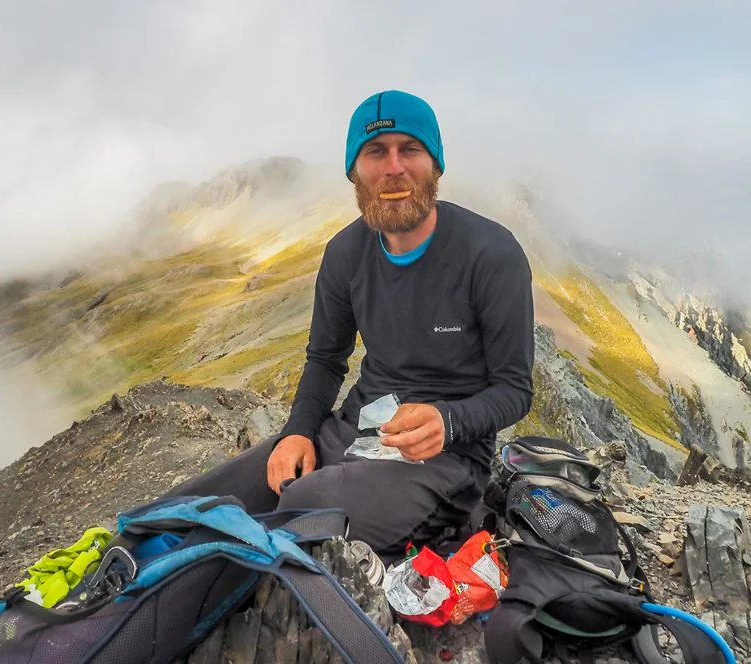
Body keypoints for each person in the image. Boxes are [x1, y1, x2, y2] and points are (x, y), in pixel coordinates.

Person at [164, 89, 535, 561]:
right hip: (355, 429)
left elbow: (514, 390)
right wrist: (297, 431)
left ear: (435, 164)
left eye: (411, 149)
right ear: (354, 172)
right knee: (199, 502)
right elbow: (325, 360)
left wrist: (448, 421)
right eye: (375, 152)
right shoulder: (345, 253)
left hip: (446, 458)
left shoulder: (491, 254)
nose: (393, 168)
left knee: (301, 507)